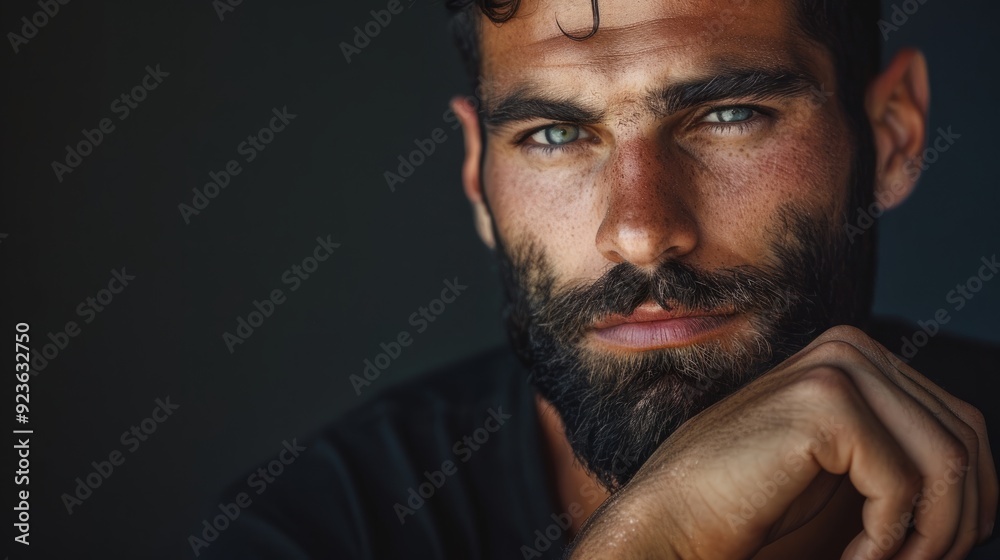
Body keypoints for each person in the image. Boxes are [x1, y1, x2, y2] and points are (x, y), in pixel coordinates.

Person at [203, 1, 999, 558]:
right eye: (554, 133)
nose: (641, 232)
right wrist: (660, 541)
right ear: (479, 174)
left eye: (728, 114)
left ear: (893, 134)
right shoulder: (323, 530)